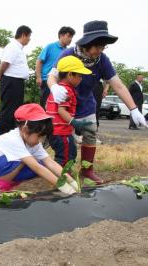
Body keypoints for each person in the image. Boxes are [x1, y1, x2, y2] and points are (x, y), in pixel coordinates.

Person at [48, 20, 147, 184]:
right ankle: (64, 171)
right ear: (88, 44)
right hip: (66, 104)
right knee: (66, 140)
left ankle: (87, 170)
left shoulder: (102, 60)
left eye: (103, 47)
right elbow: (52, 76)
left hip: (87, 104)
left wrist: (133, 109)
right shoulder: (68, 55)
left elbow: (118, 85)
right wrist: (54, 88)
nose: (100, 51)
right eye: (98, 47)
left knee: (90, 133)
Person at [0, 103, 77, 195]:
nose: (41, 140)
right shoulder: (14, 139)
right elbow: (36, 167)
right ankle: (1, 187)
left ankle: (7, 181)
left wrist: (72, 181)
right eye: (39, 136)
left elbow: (50, 163)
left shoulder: (33, 141)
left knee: (40, 163)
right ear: (25, 130)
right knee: (28, 162)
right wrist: (62, 185)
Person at [46, 56, 92, 166]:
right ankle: (62, 179)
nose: (81, 78)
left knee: (69, 153)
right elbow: (62, 111)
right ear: (70, 74)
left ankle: (63, 176)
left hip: (54, 131)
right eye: (79, 75)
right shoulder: (66, 90)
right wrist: (75, 123)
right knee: (66, 158)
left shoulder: (57, 89)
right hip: (61, 132)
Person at [0, 25, 32, 136]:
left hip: (17, 82)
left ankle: (11, 135)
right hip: (11, 81)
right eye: (29, 36)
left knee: (15, 110)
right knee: (8, 110)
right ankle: (2, 135)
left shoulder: (19, 48)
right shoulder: (13, 46)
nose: (29, 39)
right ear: (23, 35)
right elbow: (5, 63)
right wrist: (0, 74)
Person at [36, 26, 75, 109]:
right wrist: (38, 77)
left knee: (57, 106)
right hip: (47, 80)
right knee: (45, 106)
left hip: (61, 83)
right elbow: (39, 61)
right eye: (68, 36)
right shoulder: (50, 47)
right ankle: (43, 122)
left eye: (71, 37)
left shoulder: (68, 52)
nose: (70, 39)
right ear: (61, 35)